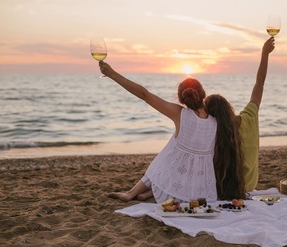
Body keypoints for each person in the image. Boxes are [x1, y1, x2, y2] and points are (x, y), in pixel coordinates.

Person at [99, 61, 218, 203]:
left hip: (172, 193)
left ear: (181, 98)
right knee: (183, 153)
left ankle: (131, 193)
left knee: (171, 152)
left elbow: (144, 94)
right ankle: (149, 193)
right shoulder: (217, 118)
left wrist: (112, 74)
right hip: (201, 194)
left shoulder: (179, 113)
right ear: (203, 94)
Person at [205, 37, 275, 193]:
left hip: (220, 190)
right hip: (248, 188)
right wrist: (265, 53)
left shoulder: (210, 130)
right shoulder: (249, 118)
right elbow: (260, 82)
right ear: (228, 108)